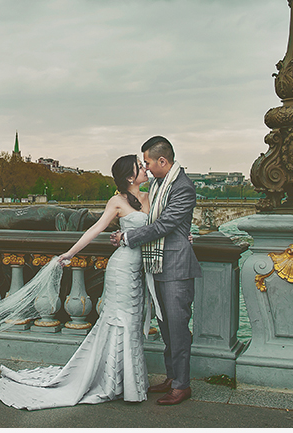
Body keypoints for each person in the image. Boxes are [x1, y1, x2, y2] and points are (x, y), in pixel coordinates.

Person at [0, 154, 151, 410]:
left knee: (132, 322)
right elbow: (94, 229)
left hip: (139, 270)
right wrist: (70, 253)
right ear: (130, 177)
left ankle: (125, 382)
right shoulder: (117, 201)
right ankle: (117, 383)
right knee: (119, 322)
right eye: (140, 166)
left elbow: (162, 225)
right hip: (121, 269)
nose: (145, 169)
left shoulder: (150, 196)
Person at [110, 136, 201, 406]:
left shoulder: (182, 187)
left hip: (175, 266)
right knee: (166, 327)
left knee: (178, 327)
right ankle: (172, 377)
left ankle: (182, 385)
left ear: (163, 160)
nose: (146, 168)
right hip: (158, 265)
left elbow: (165, 225)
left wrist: (128, 238)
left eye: (148, 162)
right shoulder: (162, 183)